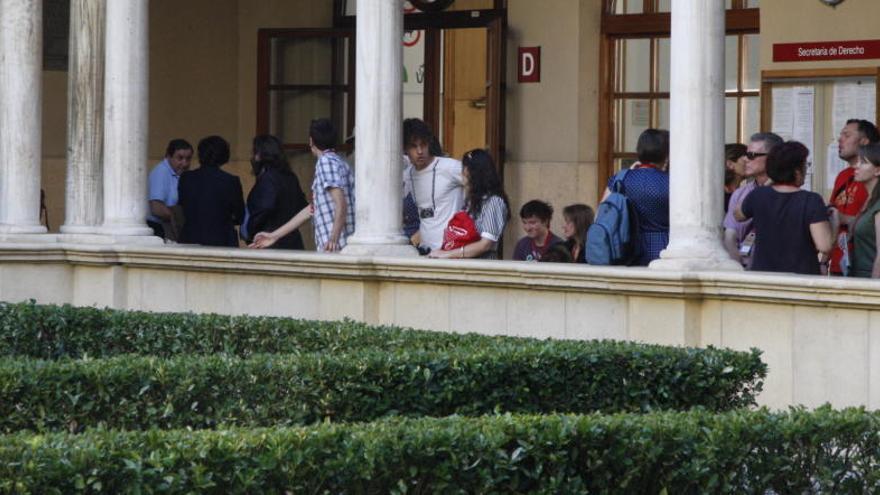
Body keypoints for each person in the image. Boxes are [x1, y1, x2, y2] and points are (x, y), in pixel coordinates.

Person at [250, 120, 355, 252]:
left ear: (311, 141)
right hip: (339, 246)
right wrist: (273, 236)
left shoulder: (325, 162)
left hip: (335, 248)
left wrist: (333, 237)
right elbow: (311, 210)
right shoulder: (341, 162)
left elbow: (341, 203)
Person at [735, 141, 832, 275]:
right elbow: (824, 245)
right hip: (801, 277)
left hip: (763, 275)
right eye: (805, 165)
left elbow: (738, 214)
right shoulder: (811, 200)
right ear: (797, 171)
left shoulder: (758, 195)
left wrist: (769, 182)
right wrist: (835, 224)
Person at [600, 128, 670, 266]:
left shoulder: (620, 179)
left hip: (626, 248)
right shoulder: (672, 182)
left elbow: (601, 214)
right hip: (663, 247)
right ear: (665, 154)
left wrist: (629, 171)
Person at [428, 149, 509, 259]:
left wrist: (449, 254)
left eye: (465, 170)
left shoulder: (494, 201)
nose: (462, 174)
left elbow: (486, 244)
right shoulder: (471, 200)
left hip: (482, 268)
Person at [402, 118, 464, 252]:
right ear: (405, 149)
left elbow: (482, 186)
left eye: (423, 145)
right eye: (413, 146)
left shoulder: (449, 167)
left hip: (452, 251)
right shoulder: (407, 175)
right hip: (426, 251)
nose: (419, 151)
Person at [722, 132, 783, 267]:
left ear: (773, 157)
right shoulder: (740, 193)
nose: (745, 159)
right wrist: (738, 271)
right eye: (745, 154)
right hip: (744, 267)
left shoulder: (786, 192)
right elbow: (730, 237)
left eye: (751, 155)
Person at [828, 119, 880, 275]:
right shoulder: (843, 175)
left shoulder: (871, 185)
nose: (840, 139)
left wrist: (845, 218)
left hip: (867, 268)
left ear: (864, 142)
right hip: (842, 262)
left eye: (847, 135)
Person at [243, 135, 309, 250]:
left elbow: (266, 207)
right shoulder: (290, 176)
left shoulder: (268, 177)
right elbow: (302, 206)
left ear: (260, 155)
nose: (253, 157)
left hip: (269, 241)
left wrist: (251, 229)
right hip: (292, 241)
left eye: (254, 153)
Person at [176, 136, 244, 247]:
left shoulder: (186, 178)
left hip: (190, 238)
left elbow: (183, 205)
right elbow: (239, 215)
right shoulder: (230, 181)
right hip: (221, 240)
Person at [147, 139, 193, 240]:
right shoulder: (161, 172)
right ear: (168, 156)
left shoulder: (180, 174)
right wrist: (178, 218)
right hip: (159, 230)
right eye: (180, 158)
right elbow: (157, 208)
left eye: (188, 159)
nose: (184, 163)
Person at [850, 144, 880, 278]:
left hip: (870, 282)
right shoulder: (869, 201)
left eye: (863, 162)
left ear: (877, 170)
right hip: (858, 278)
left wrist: (873, 289)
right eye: (857, 161)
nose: (856, 166)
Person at [724, 143, 747, 213]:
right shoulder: (719, 194)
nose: (750, 162)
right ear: (730, 164)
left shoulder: (743, 191)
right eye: (746, 159)